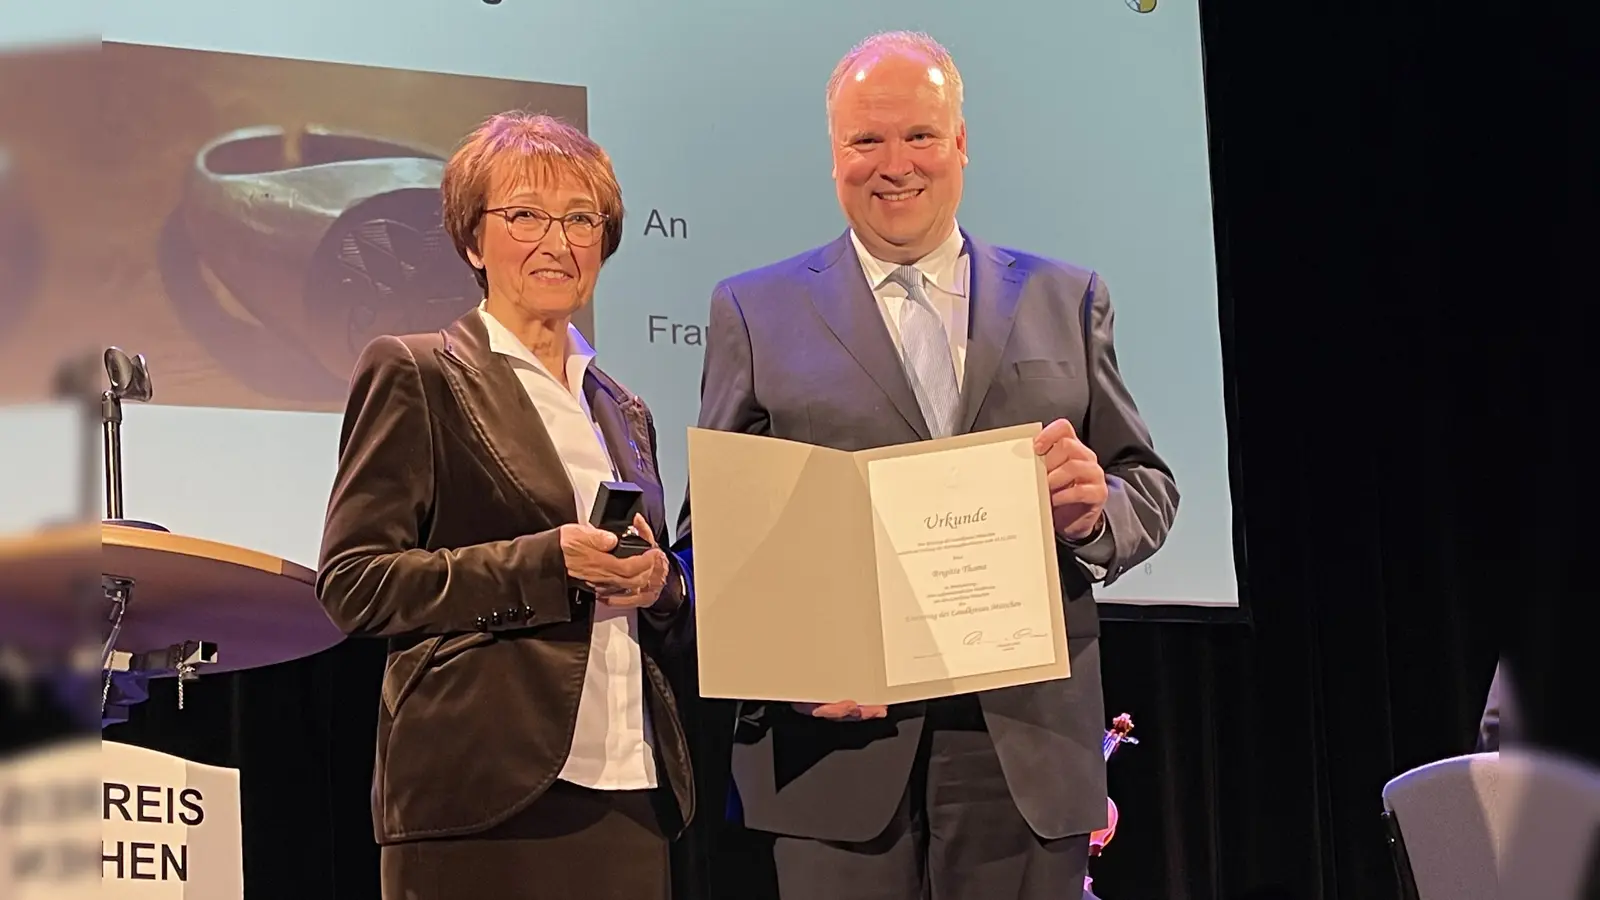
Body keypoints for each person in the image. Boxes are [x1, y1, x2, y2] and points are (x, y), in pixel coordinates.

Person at [675, 31, 1179, 900]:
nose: (894, 164)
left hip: (1023, 741)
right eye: (866, 141)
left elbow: (1148, 486)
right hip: (835, 749)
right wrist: (792, 668)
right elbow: (717, 537)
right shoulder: (754, 310)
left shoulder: (1067, 298)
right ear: (833, 154)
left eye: (919, 135)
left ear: (961, 142)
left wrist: (1096, 514)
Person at [316, 111, 694, 900]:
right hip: (482, 791)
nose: (557, 241)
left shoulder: (623, 410)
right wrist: (544, 561)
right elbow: (354, 582)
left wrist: (659, 584)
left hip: (630, 785)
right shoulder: (418, 372)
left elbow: (655, 594)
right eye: (524, 214)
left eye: (582, 219)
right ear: (473, 241)